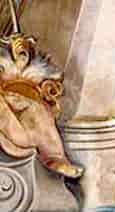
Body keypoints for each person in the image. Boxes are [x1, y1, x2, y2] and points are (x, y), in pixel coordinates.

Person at [0, 33, 83, 178]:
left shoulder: (34, 82)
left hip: (28, 103)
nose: (22, 55)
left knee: (38, 111)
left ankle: (54, 159)